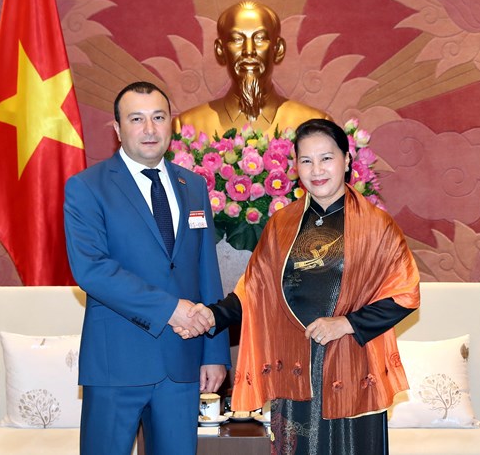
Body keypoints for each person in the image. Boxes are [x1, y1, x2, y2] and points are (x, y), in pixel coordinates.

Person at [179, 118, 420, 454]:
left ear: (347, 160)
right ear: (295, 167)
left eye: (326, 158)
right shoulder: (282, 224)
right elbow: (253, 293)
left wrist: (346, 323)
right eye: (306, 160)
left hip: (353, 364)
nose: (317, 169)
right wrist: (210, 315)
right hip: (294, 367)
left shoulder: (377, 226)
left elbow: (405, 294)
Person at [63, 81, 230, 455]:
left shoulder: (194, 186)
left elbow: (207, 270)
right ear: (117, 129)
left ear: (171, 124)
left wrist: (215, 351)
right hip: (115, 364)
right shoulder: (87, 187)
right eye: (137, 119)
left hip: (181, 363)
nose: (150, 129)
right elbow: (92, 269)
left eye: (158, 117)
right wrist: (170, 309)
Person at [172, 0, 332, 138]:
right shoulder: (187, 127)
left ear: (278, 49)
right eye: (237, 39)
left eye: (260, 38)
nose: (249, 50)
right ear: (220, 50)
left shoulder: (315, 124)